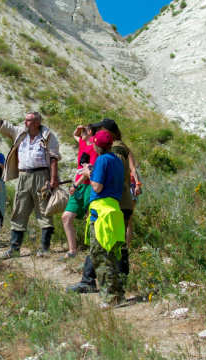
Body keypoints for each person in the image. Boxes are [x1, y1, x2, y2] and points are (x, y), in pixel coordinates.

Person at [0, 105, 61, 258]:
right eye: (25, 120)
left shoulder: (48, 136)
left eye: (29, 120)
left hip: (41, 175)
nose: (25, 122)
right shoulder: (19, 133)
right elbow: (1, 125)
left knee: (44, 210)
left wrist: (53, 179)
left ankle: (44, 248)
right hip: (24, 176)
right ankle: (14, 249)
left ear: (37, 122)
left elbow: (53, 157)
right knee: (19, 209)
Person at [67, 118, 141, 293]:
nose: (98, 133)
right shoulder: (121, 148)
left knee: (104, 244)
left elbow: (106, 179)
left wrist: (90, 173)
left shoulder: (115, 150)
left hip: (114, 202)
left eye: (100, 129)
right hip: (120, 201)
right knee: (109, 244)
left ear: (109, 132)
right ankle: (113, 282)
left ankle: (101, 283)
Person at [79, 130, 125, 308]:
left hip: (101, 211)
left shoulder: (101, 160)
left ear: (97, 146)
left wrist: (89, 173)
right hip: (114, 209)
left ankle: (110, 297)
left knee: (100, 255)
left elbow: (97, 187)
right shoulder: (116, 160)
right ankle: (117, 294)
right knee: (110, 254)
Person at [60, 124, 98, 260]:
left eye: (84, 131)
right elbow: (75, 134)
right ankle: (72, 250)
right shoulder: (83, 142)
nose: (81, 133)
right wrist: (77, 128)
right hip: (79, 184)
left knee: (90, 217)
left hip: (88, 185)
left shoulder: (94, 147)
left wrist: (75, 185)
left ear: (90, 132)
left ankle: (94, 250)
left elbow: (89, 171)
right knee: (66, 217)